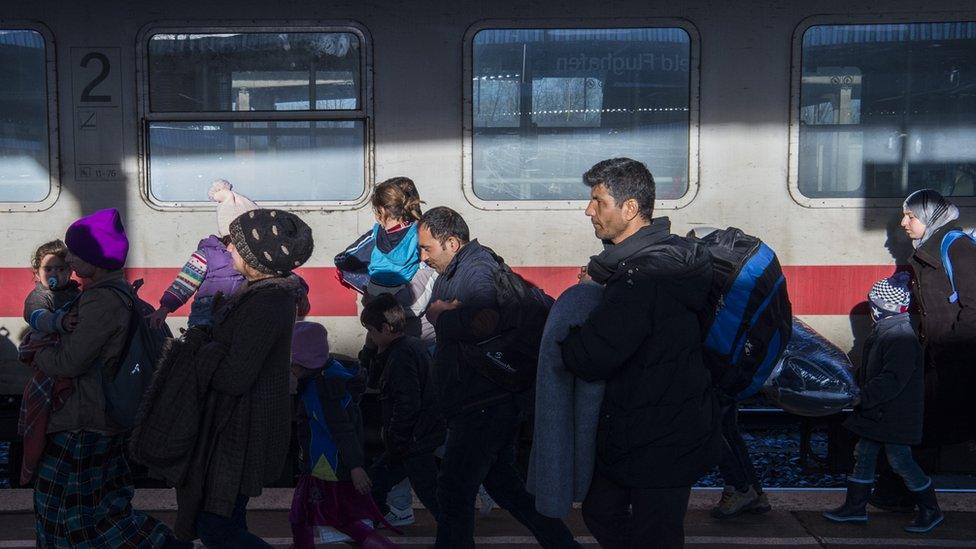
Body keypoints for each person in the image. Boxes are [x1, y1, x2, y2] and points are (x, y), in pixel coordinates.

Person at [560, 158, 721, 549]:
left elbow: (589, 357)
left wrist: (573, 323)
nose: (588, 210)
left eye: (598, 201)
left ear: (629, 209)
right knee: (604, 512)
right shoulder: (673, 255)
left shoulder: (640, 277)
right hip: (661, 424)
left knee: (652, 533)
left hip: (656, 434)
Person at [418, 206, 579, 549]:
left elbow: (484, 319)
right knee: (505, 486)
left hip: (483, 403)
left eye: (427, 248)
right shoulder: (455, 271)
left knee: (453, 491)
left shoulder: (477, 268)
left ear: (451, 242)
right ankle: (563, 544)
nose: (423, 257)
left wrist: (439, 315)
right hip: (482, 401)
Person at [31, 209, 188, 548]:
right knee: (105, 510)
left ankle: (164, 544)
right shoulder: (119, 294)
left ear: (96, 257)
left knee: (66, 516)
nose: (69, 259)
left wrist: (33, 351)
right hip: (104, 419)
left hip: (85, 423)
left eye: (75, 252)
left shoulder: (100, 300)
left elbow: (69, 362)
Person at [176, 208, 313, 547]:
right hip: (239, 426)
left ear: (256, 255)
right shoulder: (264, 295)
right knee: (225, 518)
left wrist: (204, 349)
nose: (229, 250)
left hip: (242, 428)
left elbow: (235, 376)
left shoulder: (266, 301)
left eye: (235, 245)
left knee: (215, 527)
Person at [872, 189, 976, 511]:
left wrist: (951, 349)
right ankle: (896, 496)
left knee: (924, 427)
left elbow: (974, 308)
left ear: (930, 218)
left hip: (957, 358)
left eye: (911, 216)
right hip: (941, 357)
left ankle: (902, 499)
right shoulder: (926, 251)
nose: (904, 223)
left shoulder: (956, 248)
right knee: (922, 427)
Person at [823, 273, 943, 533]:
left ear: (881, 308)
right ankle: (855, 509)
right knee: (863, 455)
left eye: (872, 305)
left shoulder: (900, 337)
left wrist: (862, 397)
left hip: (893, 413)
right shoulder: (887, 332)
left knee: (900, 460)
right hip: (880, 412)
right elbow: (874, 372)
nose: (870, 310)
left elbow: (891, 379)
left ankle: (931, 510)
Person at [288, 321, 398, 549]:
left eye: (293, 363)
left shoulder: (321, 390)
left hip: (325, 464)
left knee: (314, 516)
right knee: (312, 515)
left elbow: (341, 429)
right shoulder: (330, 375)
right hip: (325, 462)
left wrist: (355, 466)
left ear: (304, 362)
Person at [361, 293, 444, 522]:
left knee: (427, 492)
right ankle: (377, 518)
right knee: (381, 482)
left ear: (386, 328)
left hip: (411, 440)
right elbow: (374, 380)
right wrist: (372, 350)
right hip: (416, 438)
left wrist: (397, 439)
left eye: (371, 330)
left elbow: (407, 401)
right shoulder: (407, 347)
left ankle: (455, 535)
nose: (369, 335)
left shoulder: (401, 356)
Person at [148, 179, 256, 329]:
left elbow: (277, 274)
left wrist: (298, 287)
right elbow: (184, 283)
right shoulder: (207, 254)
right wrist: (165, 308)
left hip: (237, 318)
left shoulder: (253, 254)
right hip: (205, 320)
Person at [17, 241, 82, 486]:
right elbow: (38, 317)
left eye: (61, 269)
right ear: (37, 273)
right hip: (49, 362)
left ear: (70, 271)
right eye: (48, 270)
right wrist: (60, 322)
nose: (55, 274)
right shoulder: (38, 297)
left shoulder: (76, 293)